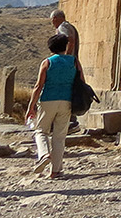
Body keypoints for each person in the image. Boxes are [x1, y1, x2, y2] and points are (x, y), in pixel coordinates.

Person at [25, 33, 82, 178]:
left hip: (47, 100)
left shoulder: (47, 62)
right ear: (65, 46)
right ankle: (56, 170)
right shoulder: (74, 61)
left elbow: (38, 86)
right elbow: (81, 82)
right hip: (67, 101)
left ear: (51, 48)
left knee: (41, 131)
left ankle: (44, 154)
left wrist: (31, 106)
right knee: (59, 136)